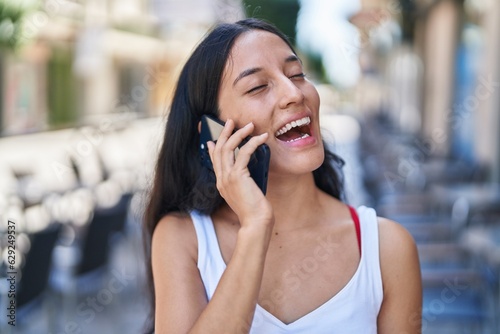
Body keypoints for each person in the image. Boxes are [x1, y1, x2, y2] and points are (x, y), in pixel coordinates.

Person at [143, 18, 422, 333]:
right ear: (215, 135)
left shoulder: (387, 248)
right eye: (258, 86)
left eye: (297, 74)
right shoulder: (183, 238)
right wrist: (255, 227)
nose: (294, 93)